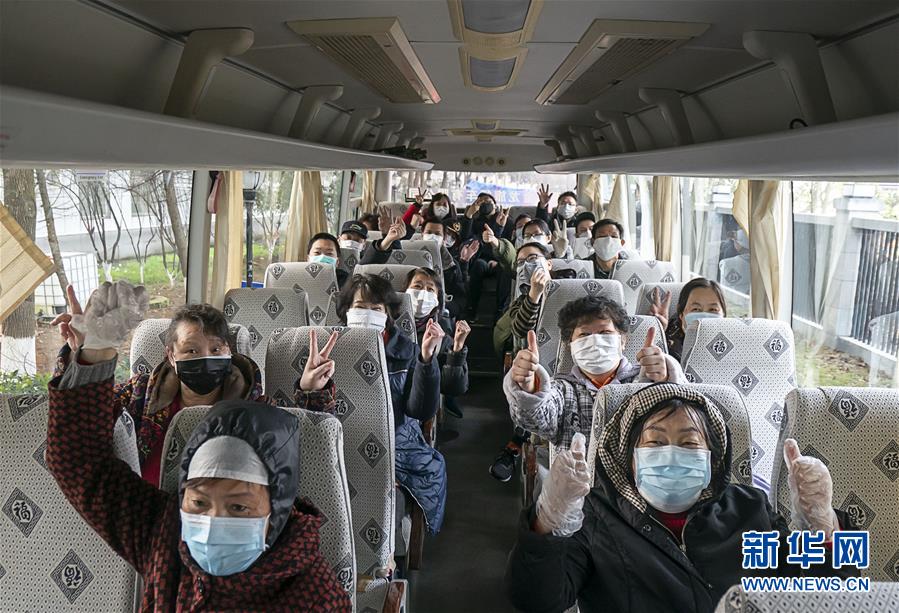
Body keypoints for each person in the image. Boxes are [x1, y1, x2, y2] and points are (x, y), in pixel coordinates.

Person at [46, 281, 351, 611]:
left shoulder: (313, 596)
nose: (212, 524)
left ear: (276, 507)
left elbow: (304, 443)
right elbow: (80, 460)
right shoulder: (165, 536)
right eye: (199, 502)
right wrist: (93, 352)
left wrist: (311, 393)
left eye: (239, 507)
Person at [505, 384, 857, 613]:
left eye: (689, 443)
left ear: (712, 459)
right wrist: (547, 522)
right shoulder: (595, 516)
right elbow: (535, 600)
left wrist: (825, 526)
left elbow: (831, 598)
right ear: (630, 458)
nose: (672, 454)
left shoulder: (749, 508)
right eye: (655, 443)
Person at [52, 286, 272, 486]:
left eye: (216, 350)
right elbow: (83, 420)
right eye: (191, 350)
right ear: (171, 356)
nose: (205, 358)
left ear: (229, 351)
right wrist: (85, 356)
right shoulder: (138, 395)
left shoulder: (257, 411)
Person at [335, 274, 448, 533]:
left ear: (387, 315)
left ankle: (386, 553)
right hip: (342, 441)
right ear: (347, 311)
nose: (368, 314)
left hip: (395, 442)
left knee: (393, 493)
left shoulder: (407, 351)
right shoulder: (329, 347)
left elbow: (420, 410)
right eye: (360, 307)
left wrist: (426, 360)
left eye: (376, 309)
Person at [504, 295, 686, 451]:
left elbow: (685, 417)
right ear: (570, 345)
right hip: (579, 479)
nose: (595, 341)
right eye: (584, 335)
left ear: (623, 340)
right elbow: (536, 419)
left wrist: (665, 381)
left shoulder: (644, 379)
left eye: (605, 332)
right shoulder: (562, 390)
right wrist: (529, 386)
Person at [489, 241, 580, 482]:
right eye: (521, 262)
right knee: (532, 391)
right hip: (541, 369)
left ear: (548, 263)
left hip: (578, 364)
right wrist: (534, 294)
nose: (527, 264)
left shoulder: (573, 288)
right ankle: (517, 446)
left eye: (532, 258)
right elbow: (520, 329)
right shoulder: (522, 299)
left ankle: (516, 446)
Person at [404, 267, 471, 417]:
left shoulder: (440, 336)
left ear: (437, 300)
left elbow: (452, 388)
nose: (423, 294)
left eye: (430, 289)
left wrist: (457, 348)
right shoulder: (386, 325)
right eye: (417, 286)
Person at [649, 277, 728, 361]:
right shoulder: (668, 350)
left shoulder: (735, 346)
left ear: (724, 315)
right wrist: (659, 332)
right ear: (681, 314)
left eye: (713, 309)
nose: (704, 318)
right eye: (696, 309)